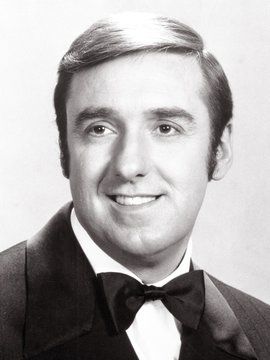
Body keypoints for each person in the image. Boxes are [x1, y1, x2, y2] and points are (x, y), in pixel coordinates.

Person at [1, 12, 270, 360]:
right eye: (99, 129)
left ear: (219, 151)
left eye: (165, 128)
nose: (129, 166)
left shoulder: (263, 333)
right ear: (64, 151)